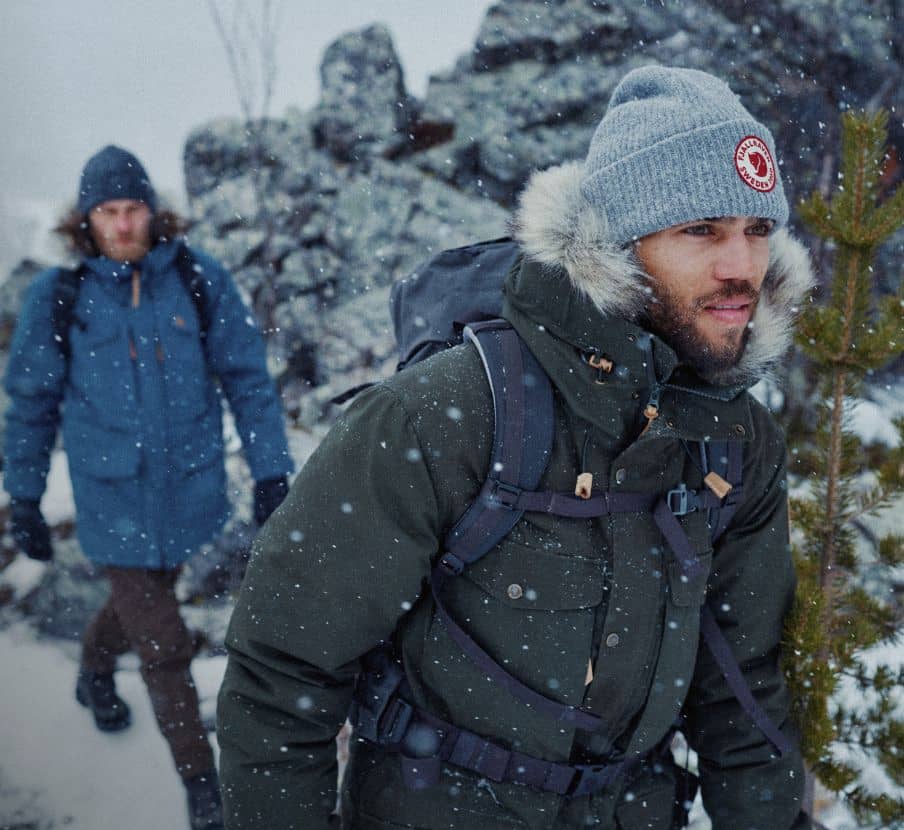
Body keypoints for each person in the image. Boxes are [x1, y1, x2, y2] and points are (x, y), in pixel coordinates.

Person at [217, 66, 814, 829]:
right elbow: (283, 674)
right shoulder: (443, 415)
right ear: (618, 242)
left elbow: (741, 690)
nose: (742, 268)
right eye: (700, 229)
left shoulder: (734, 440)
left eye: (757, 230)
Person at [4, 145, 293, 830]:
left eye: (134, 209)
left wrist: (271, 467)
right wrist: (23, 494)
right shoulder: (60, 297)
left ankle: (93, 667)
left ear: (152, 212)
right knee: (163, 643)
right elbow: (31, 405)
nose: (124, 225)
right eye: (110, 212)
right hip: (111, 501)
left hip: (188, 494)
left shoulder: (197, 277)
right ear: (87, 218)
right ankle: (201, 782)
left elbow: (247, 377)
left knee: (145, 604)